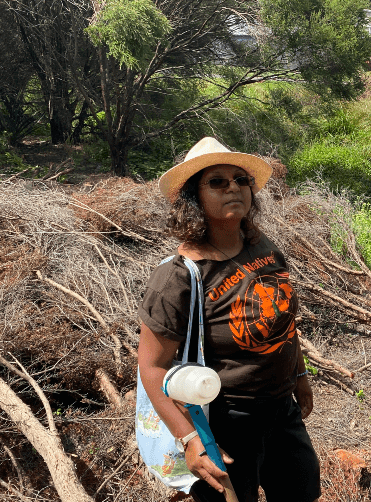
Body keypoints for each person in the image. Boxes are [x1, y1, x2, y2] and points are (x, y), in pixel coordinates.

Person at [137, 137, 320, 502]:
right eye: (217, 181)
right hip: (223, 422)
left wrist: (299, 376)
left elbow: (284, 321)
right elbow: (152, 369)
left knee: (300, 492)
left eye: (241, 179)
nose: (233, 187)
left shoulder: (263, 248)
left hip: (281, 408)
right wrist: (191, 440)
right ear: (194, 197)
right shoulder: (179, 277)